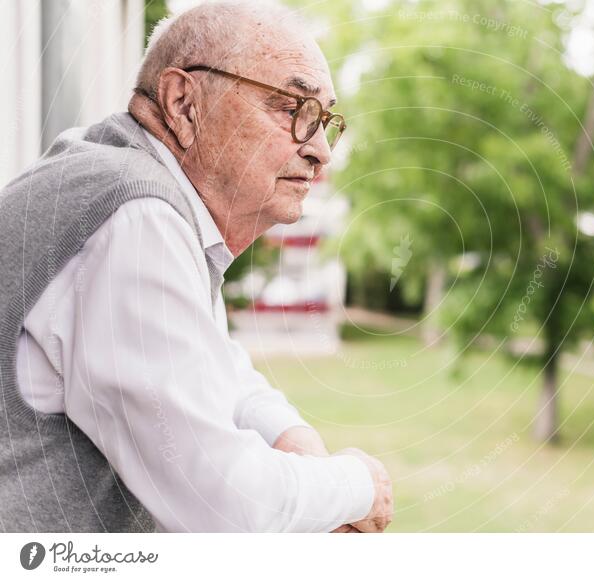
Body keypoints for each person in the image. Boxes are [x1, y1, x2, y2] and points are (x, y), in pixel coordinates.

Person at [0, 0, 392, 533]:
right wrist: (358, 485)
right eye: (292, 108)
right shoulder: (137, 219)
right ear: (184, 103)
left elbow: (204, 356)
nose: (321, 150)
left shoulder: (133, 188)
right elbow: (223, 503)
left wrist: (287, 435)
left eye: (324, 120)